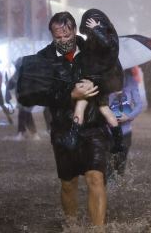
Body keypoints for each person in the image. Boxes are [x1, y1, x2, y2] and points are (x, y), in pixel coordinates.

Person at [20, 12, 109, 227]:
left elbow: (111, 79)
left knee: (95, 178)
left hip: (93, 124)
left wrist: (97, 90)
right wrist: (70, 95)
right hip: (63, 127)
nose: (63, 41)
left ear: (75, 31)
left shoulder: (93, 51)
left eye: (67, 37)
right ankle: (72, 227)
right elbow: (32, 95)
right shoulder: (42, 60)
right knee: (69, 184)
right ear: (51, 35)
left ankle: (99, 230)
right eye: (57, 38)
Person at [60, 9, 125, 154]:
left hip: (95, 80)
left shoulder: (109, 40)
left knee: (81, 105)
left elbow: (107, 45)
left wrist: (96, 29)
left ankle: (73, 138)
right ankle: (119, 141)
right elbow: (89, 53)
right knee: (104, 109)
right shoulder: (102, 41)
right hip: (100, 80)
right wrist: (79, 39)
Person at [107, 69, 143, 179]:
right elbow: (99, 104)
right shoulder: (104, 81)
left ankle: (118, 191)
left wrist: (128, 117)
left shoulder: (130, 81)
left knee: (120, 166)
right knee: (108, 165)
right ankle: (106, 192)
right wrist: (113, 93)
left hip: (125, 131)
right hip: (107, 131)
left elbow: (139, 105)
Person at [7, 57, 40, 141]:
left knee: (22, 114)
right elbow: (11, 86)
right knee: (27, 115)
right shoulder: (16, 74)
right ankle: (35, 134)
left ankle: (20, 133)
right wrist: (8, 84)